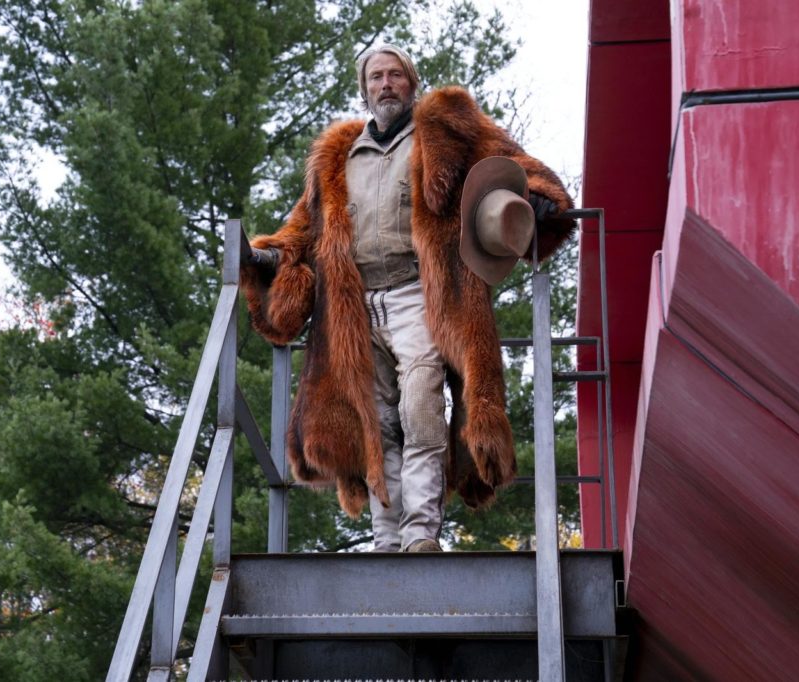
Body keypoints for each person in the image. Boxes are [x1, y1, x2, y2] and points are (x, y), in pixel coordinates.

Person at [241, 44, 574, 552]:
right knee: (376, 426)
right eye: (376, 76)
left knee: (421, 411)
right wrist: (265, 257)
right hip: (353, 310)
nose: (386, 84)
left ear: (411, 81)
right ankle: (386, 540)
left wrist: (535, 195)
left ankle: (420, 533)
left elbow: (515, 164)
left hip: (417, 296)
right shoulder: (336, 157)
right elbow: (302, 231)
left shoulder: (444, 131)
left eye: (395, 74)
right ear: (364, 89)